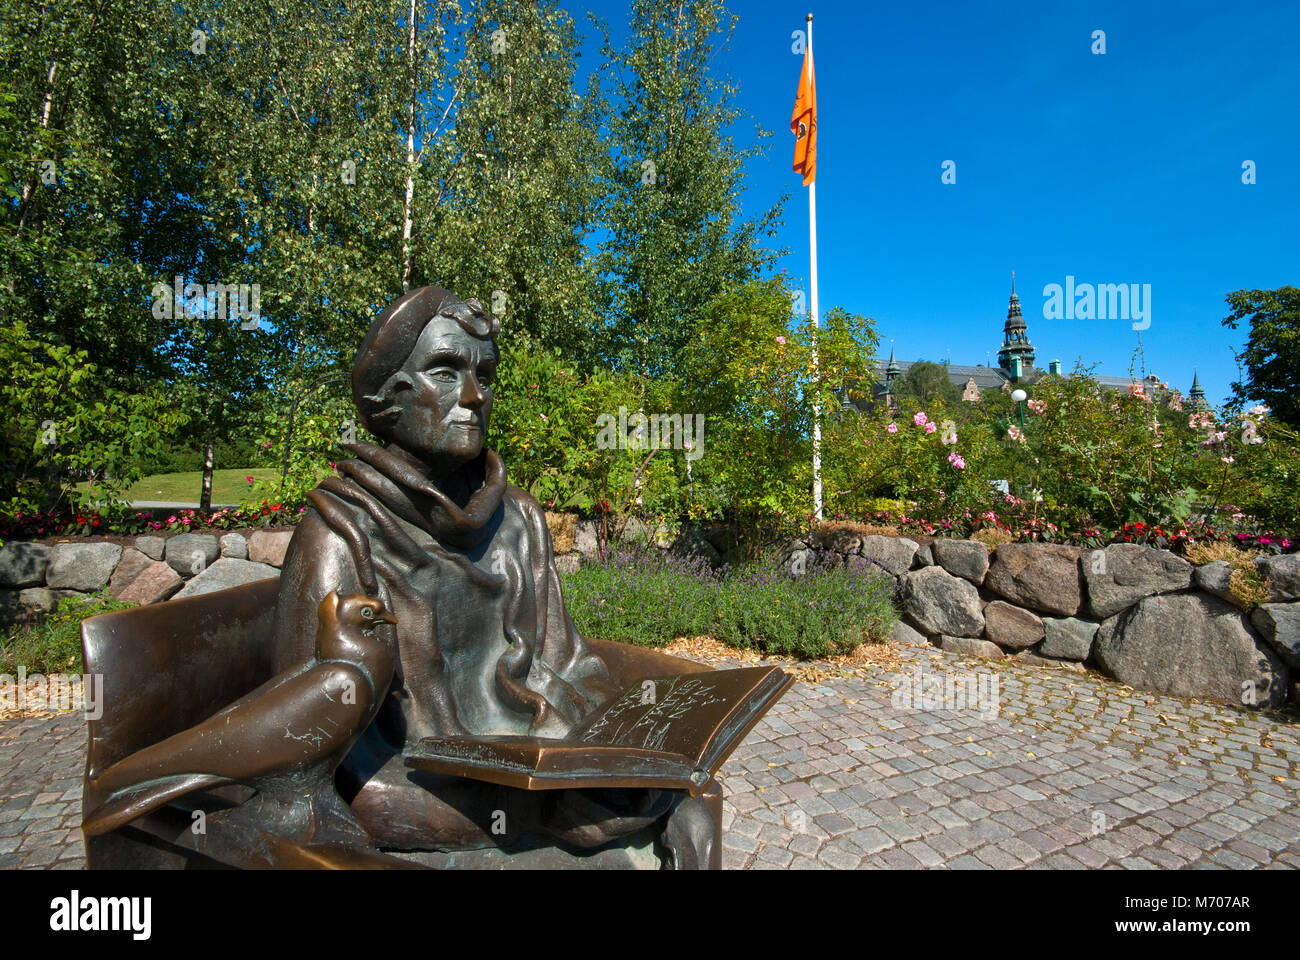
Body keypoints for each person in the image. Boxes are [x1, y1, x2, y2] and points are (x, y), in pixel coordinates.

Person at [270, 285, 714, 863]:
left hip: (549, 761)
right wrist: (547, 812)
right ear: (390, 398)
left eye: (484, 373)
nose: (475, 396)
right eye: (446, 372)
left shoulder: (519, 517)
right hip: (435, 793)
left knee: (692, 801)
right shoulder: (342, 535)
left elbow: (571, 663)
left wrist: (647, 765)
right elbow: (317, 771)